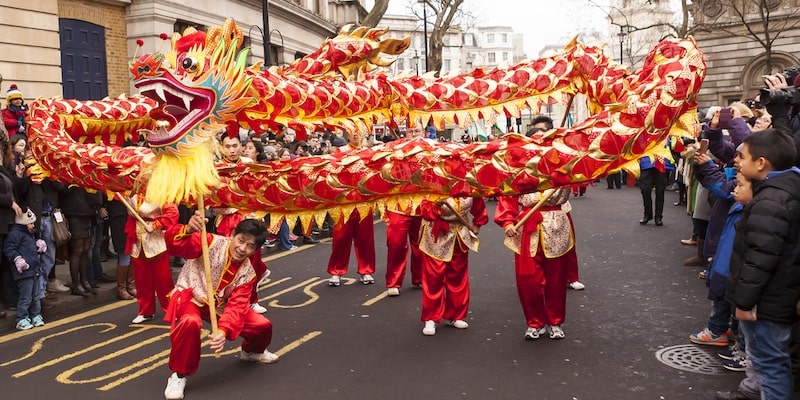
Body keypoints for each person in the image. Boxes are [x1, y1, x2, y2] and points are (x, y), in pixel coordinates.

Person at [162, 211, 278, 400]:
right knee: (190, 322)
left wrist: (223, 331)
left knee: (262, 326)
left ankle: (251, 352)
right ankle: (178, 375)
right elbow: (176, 246)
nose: (242, 248)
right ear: (233, 235)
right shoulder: (209, 242)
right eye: (241, 240)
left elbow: (237, 307)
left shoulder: (248, 273)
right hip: (191, 296)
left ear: (256, 250)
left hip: (218, 307)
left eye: (250, 246)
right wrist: (189, 229)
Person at [723, 129, 800, 400]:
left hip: (767, 304)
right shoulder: (786, 188)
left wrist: (743, 303)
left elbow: (759, 258)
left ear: (761, 162)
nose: (738, 162)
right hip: (780, 297)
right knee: (773, 363)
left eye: (742, 157)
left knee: (770, 365)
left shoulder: (770, 200)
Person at [494, 189, 578, 340]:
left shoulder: (564, 169)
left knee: (556, 279)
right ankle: (535, 322)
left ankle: (555, 322)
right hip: (528, 227)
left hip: (557, 226)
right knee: (528, 280)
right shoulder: (521, 172)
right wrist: (507, 222)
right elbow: (508, 195)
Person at [418, 197, 487, 336]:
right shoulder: (434, 184)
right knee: (434, 277)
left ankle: (455, 315)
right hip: (436, 235)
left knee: (458, 275)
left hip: (459, 233)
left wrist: (478, 224)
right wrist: (435, 205)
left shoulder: (468, 185)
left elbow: (479, 206)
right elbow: (425, 211)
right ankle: (431, 317)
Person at [125, 198, 179, 323]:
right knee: (141, 278)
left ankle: (171, 309)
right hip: (138, 239)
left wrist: (156, 225)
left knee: (163, 279)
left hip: (156, 239)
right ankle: (145, 311)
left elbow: (172, 214)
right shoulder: (130, 193)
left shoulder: (161, 193)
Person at [4, 208, 46, 330]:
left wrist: (38, 245)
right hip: (24, 272)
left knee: (36, 296)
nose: (33, 226)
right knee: (25, 297)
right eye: (30, 223)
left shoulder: (30, 234)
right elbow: (9, 248)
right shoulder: (16, 234)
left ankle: (36, 315)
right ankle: (21, 318)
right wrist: (17, 259)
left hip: (34, 269)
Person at [326, 209, 376, 286]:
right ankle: (337, 271)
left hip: (363, 204)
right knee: (340, 239)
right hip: (343, 205)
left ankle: (366, 270)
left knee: (365, 238)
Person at [383, 204, 423, 296]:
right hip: (397, 207)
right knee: (396, 244)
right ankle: (394, 282)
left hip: (420, 206)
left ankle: (420, 277)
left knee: (421, 244)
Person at [636, 149, 674, 226]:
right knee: (645, 190)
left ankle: (658, 217)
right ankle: (647, 214)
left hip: (660, 161)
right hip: (646, 161)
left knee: (660, 191)